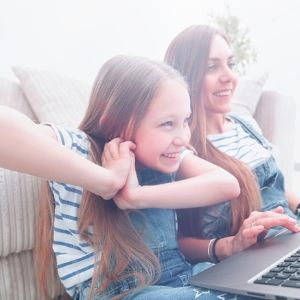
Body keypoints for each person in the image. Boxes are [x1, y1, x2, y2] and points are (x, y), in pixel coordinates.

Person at [0, 55, 257, 300]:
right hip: (119, 291)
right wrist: (107, 181)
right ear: (116, 122)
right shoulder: (80, 149)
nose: (183, 137)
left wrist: (135, 196)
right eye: (167, 123)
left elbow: (227, 185)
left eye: (186, 121)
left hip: (180, 278)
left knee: (259, 283)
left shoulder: (169, 155)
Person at [164, 24, 300, 264]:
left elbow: (273, 187)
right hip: (251, 262)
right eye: (211, 67)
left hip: (291, 241)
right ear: (185, 77)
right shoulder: (182, 150)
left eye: (231, 64)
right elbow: (178, 241)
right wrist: (229, 246)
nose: (229, 76)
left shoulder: (245, 124)